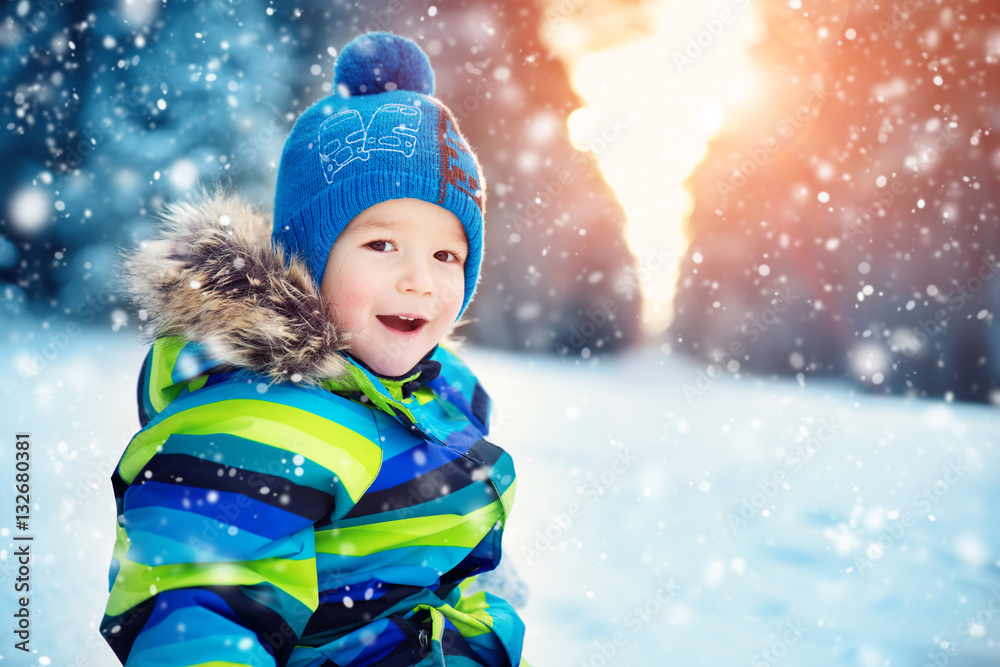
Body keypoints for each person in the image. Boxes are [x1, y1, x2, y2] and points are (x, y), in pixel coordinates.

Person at [101, 32, 527, 667]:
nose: (421, 279)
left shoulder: (438, 393)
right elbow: (196, 609)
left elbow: (445, 546)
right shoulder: (257, 420)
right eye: (383, 246)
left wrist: (483, 610)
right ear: (309, 261)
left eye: (447, 255)